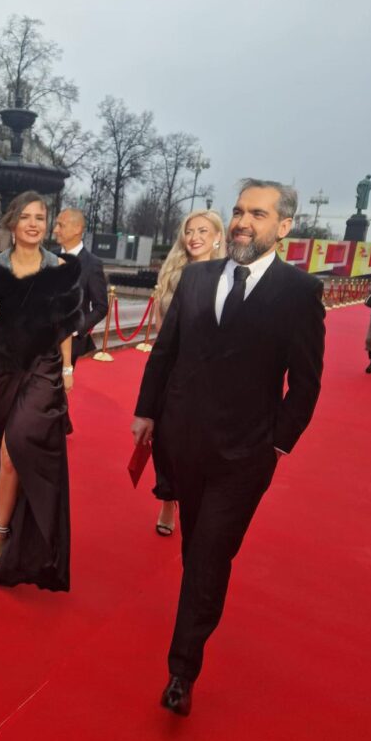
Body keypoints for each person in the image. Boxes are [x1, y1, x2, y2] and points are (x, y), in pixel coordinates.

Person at [132, 179, 325, 716]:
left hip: (245, 456)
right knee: (197, 548)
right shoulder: (196, 279)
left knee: (210, 553)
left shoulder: (299, 292)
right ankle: (195, 622)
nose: (242, 222)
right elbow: (165, 352)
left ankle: (181, 670)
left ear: (284, 227)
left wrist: (275, 446)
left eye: (258, 214)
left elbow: (305, 384)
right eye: (239, 211)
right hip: (184, 443)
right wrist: (147, 412)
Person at [0, 191, 83, 591]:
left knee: (15, 448)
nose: (33, 223)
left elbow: (65, 326)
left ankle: (1, 532)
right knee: (4, 450)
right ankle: (5, 522)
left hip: (42, 370)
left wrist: (67, 367)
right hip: (0, 371)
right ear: (12, 223)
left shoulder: (60, 268)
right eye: (26, 217)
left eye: (40, 217)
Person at [151, 210, 226, 537]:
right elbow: (159, 328)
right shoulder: (172, 273)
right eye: (189, 230)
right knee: (164, 439)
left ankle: (193, 496)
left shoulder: (228, 277)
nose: (194, 236)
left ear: (218, 236)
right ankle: (168, 498)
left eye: (203, 230)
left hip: (209, 373)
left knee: (198, 441)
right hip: (170, 367)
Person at [52, 208, 108, 365]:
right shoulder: (48, 256)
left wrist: (75, 328)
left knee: (57, 387)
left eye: (60, 225)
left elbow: (101, 307)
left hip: (69, 345)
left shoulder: (93, 264)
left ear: (77, 229)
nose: (55, 230)